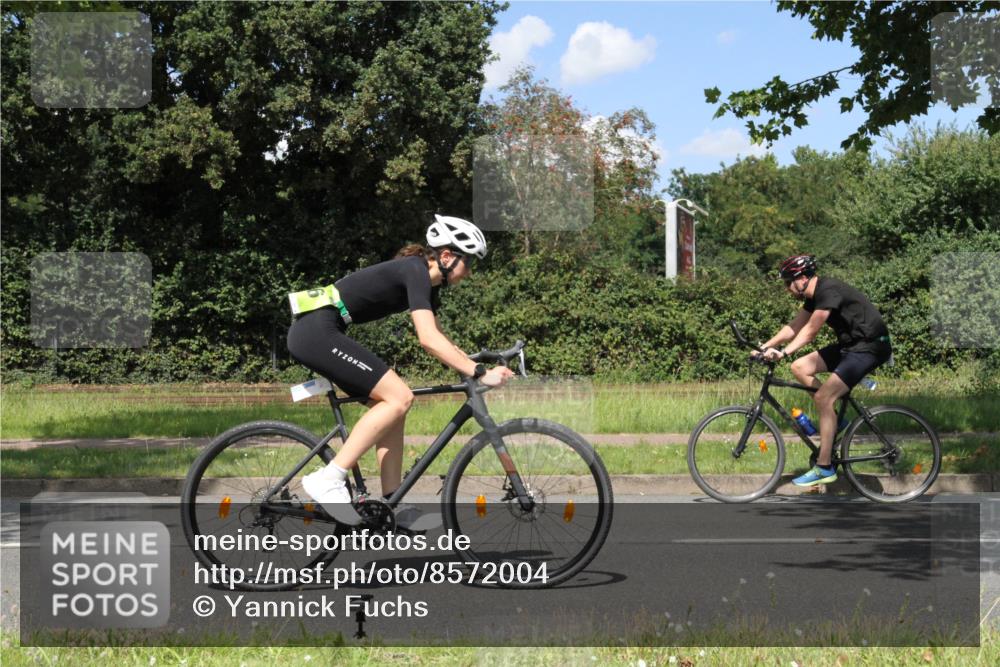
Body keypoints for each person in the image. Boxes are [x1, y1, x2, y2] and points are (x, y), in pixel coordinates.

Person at [287, 215, 514, 529]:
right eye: (469, 262)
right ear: (447, 257)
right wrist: (478, 372)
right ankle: (329, 478)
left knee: (394, 407)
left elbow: (441, 340)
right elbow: (428, 339)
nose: (469, 271)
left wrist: (477, 363)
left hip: (322, 330)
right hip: (316, 332)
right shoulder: (415, 270)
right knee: (400, 397)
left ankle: (392, 502)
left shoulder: (426, 285)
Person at [757, 254, 892, 486]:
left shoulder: (828, 290)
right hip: (851, 346)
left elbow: (810, 331)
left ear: (801, 279)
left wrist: (783, 352)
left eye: (788, 282)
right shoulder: (814, 296)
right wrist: (766, 347)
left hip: (870, 347)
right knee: (800, 367)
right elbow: (794, 326)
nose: (786, 288)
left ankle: (824, 466)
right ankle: (836, 422)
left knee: (823, 397)